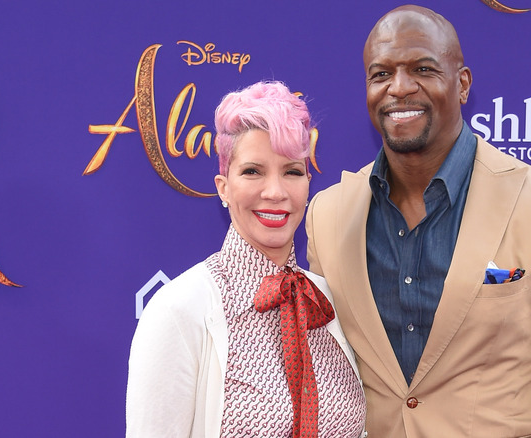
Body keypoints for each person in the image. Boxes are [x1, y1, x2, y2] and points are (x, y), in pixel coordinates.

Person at [305, 5, 531, 437]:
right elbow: (325, 376)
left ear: (462, 85)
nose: (399, 88)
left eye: (422, 69)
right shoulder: (327, 214)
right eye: (381, 74)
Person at [126, 81, 366, 438]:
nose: (275, 192)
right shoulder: (178, 311)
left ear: (308, 184)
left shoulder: (328, 300)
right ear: (224, 187)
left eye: (292, 172)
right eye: (253, 171)